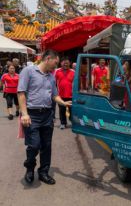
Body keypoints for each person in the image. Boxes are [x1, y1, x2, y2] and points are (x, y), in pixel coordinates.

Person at [17, 49, 71, 185]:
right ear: (47, 59)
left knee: (46, 146)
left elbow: (54, 95)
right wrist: (24, 114)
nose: (56, 66)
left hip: (47, 115)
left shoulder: (51, 76)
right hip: (32, 115)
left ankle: (43, 172)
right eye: (55, 63)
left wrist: (63, 102)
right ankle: (29, 167)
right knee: (34, 145)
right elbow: (21, 93)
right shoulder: (28, 71)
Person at [55, 57, 75, 129]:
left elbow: (76, 83)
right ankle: (63, 123)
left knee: (72, 110)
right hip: (60, 95)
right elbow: (53, 82)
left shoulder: (73, 72)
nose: (65, 64)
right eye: (64, 63)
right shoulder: (57, 71)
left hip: (71, 95)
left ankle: (72, 122)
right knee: (62, 110)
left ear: (69, 64)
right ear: (61, 63)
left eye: (67, 63)